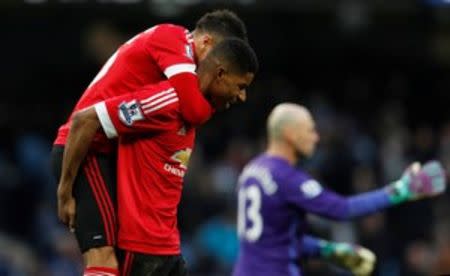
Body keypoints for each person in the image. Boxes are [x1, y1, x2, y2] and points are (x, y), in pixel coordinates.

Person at [51, 9, 248, 275]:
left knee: (116, 263)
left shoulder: (175, 73)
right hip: (86, 146)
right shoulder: (174, 39)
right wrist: (65, 191)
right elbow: (192, 110)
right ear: (206, 43)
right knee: (103, 259)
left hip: (107, 146)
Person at [233, 103, 446, 276]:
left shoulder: (252, 169)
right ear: (290, 134)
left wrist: (327, 250)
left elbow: (272, 239)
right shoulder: (287, 177)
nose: (316, 137)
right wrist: (402, 189)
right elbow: (342, 209)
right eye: (310, 130)